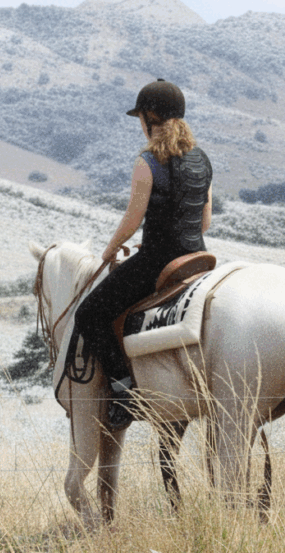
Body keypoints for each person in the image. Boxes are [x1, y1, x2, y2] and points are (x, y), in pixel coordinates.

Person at [73, 79, 213, 429]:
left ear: (150, 118)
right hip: (198, 257)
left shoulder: (147, 161)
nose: (140, 124)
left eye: (141, 117)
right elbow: (205, 223)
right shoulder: (202, 159)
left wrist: (108, 252)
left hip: (157, 262)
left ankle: (123, 393)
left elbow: (131, 220)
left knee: (90, 313)